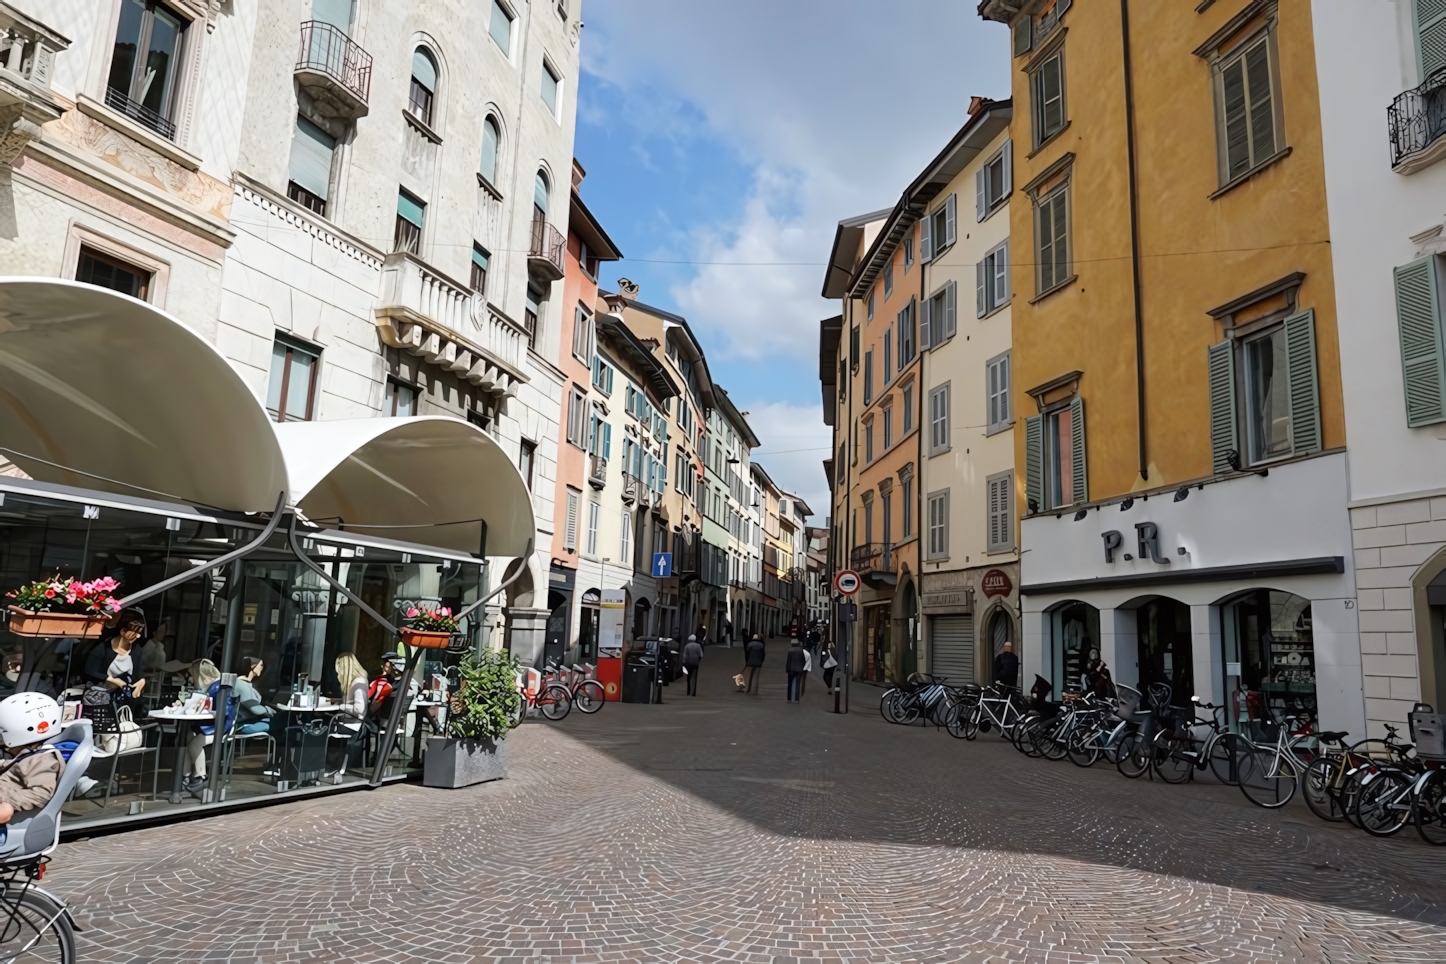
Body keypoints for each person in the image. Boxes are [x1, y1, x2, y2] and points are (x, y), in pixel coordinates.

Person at [0, 693, 64, 846]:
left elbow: (41, 793)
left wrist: (9, 802)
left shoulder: (44, 761)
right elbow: (7, 765)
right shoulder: (21, 754)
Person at [82, 610, 149, 719]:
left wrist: (142, 680)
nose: (137, 636)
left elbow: (139, 670)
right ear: (123, 631)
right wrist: (112, 680)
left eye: (139, 633)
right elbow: (89, 670)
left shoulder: (137, 650)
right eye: (134, 632)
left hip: (123, 699)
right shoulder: (103, 647)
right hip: (99, 696)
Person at [233, 657, 274, 735]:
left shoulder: (244, 684)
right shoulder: (241, 684)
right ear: (252, 667)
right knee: (284, 719)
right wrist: (270, 711)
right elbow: (255, 709)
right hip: (241, 724)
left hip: (246, 721)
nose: (262, 668)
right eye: (261, 665)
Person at [785, 638, 807, 703]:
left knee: (790, 684)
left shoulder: (790, 650)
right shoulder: (801, 651)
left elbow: (788, 661)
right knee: (797, 684)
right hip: (799, 669)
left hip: (791, 669)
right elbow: (803, 661)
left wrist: (787, 669)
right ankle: (797, 699)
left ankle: (789, 699)